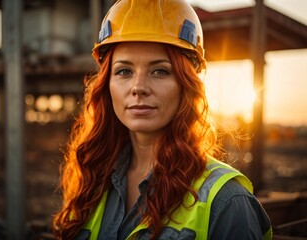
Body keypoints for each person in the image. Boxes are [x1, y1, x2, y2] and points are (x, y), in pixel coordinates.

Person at [53, 0, 272, 239]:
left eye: (160, 71)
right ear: (107, 85)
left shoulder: (227, 201)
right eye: (124, 71)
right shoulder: (91, 182)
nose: (138, 88)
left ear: (186, 85)